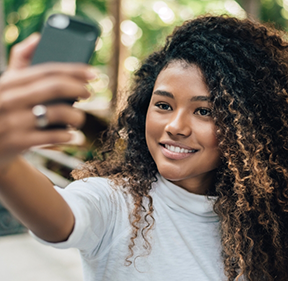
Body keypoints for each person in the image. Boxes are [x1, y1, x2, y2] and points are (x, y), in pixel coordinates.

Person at [0, 14, 288, 281]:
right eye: (163, 105)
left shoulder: (269, 222)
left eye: (204, 111)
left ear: (249, 124)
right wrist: (5, 159)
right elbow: (59, 219)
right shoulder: (117, 203)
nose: (175, 126)